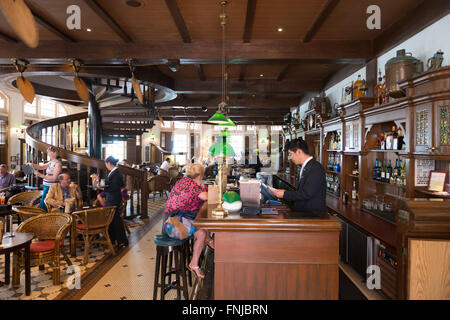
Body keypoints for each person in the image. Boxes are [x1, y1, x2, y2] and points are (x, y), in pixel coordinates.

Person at [163, 163, 213, 278]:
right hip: (172, 223)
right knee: (202, 231)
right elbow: (205, 196)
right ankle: (208, 246)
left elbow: (203, 190)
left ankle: (196, 260)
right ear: (200, 176)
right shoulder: (188, 183)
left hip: (179, 218)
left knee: (203, 230)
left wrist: (203, 186)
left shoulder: (186, 181)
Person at [269, 138, 326, 213]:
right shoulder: (305, 166)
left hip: (312, 215)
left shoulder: (315, 168)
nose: (290, 157)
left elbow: (306, 194)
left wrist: (284, 194)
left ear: (299, 152)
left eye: (291, 154)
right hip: (303, 212)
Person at [102, 156, 128, 248]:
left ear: (109, 163)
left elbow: (115, 187)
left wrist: (103, 187)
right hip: (112, 198)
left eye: (106, 164)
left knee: (116, 220)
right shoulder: (113, 173)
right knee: (113, 220)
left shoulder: (116, 173)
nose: (106, 166)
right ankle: (114, 240)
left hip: (114, 199)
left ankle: (122, 240)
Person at [29, 146, 62, 211]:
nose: (48, 153)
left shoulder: (58, 164)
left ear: (54, 153)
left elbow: (54, 178)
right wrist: (32, 164)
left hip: (51, 187)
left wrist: (40, 175)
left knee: (44, 203)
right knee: (44, 202)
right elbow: (41, 167)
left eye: (49, 152)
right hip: (46, 186)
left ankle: (42, 217)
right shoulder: (51, 162)